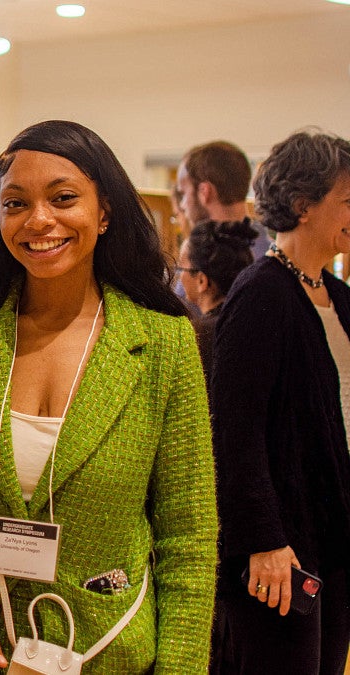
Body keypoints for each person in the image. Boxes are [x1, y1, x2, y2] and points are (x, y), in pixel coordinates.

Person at [0, 120, 217, 674]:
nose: (39, 220)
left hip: (112, 653)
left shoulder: (162, 344)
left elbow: (189, 541)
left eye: (63, 198)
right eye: (15, 203)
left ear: (104, 212)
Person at [208, 129, 350, 675]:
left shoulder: (336, 296)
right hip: (282, 550)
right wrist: (263, 538)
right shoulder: (261, 292)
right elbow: (235, 433)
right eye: (346, 200)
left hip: (333, 541)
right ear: (303, 205)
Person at [176, 219, 258, 377]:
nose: (180, 278)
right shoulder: (254, 322)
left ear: (201, 280)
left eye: (181, 269)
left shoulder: (198, 335)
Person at [175, 141, 269, 259]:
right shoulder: (270, 253)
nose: (182, 205)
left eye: (183, 193)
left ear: (204, 192)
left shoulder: (205, 261)